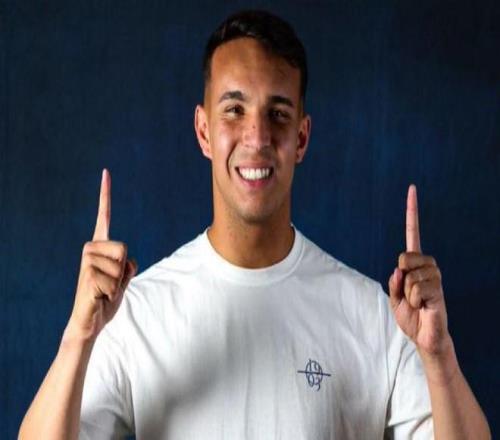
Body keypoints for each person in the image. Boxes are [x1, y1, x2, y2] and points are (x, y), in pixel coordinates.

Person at [19, 9, 490, 439]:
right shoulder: (136, 313)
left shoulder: (376, 317)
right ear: (203, 130)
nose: (257, 137)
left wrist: (440, 357)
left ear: (301, 138)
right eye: (234, 110)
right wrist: (78, 337)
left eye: (278, 114)